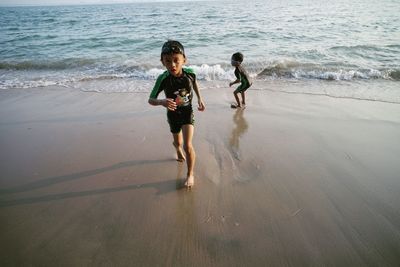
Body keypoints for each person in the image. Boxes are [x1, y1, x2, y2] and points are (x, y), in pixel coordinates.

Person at [148, 40, 205, 189]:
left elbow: (194, 84)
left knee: (188, 145)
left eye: (176, 60)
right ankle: (177, 148)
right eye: (167, 61)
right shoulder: (163, 78)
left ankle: (190, 174)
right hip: (172, 115)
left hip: (187, 112)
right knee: (178, 143)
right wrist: (163, 102)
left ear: (184, 60)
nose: (172, 65)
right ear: (162, 62)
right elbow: (151, 99)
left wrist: (200, 98)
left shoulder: (190, 73)